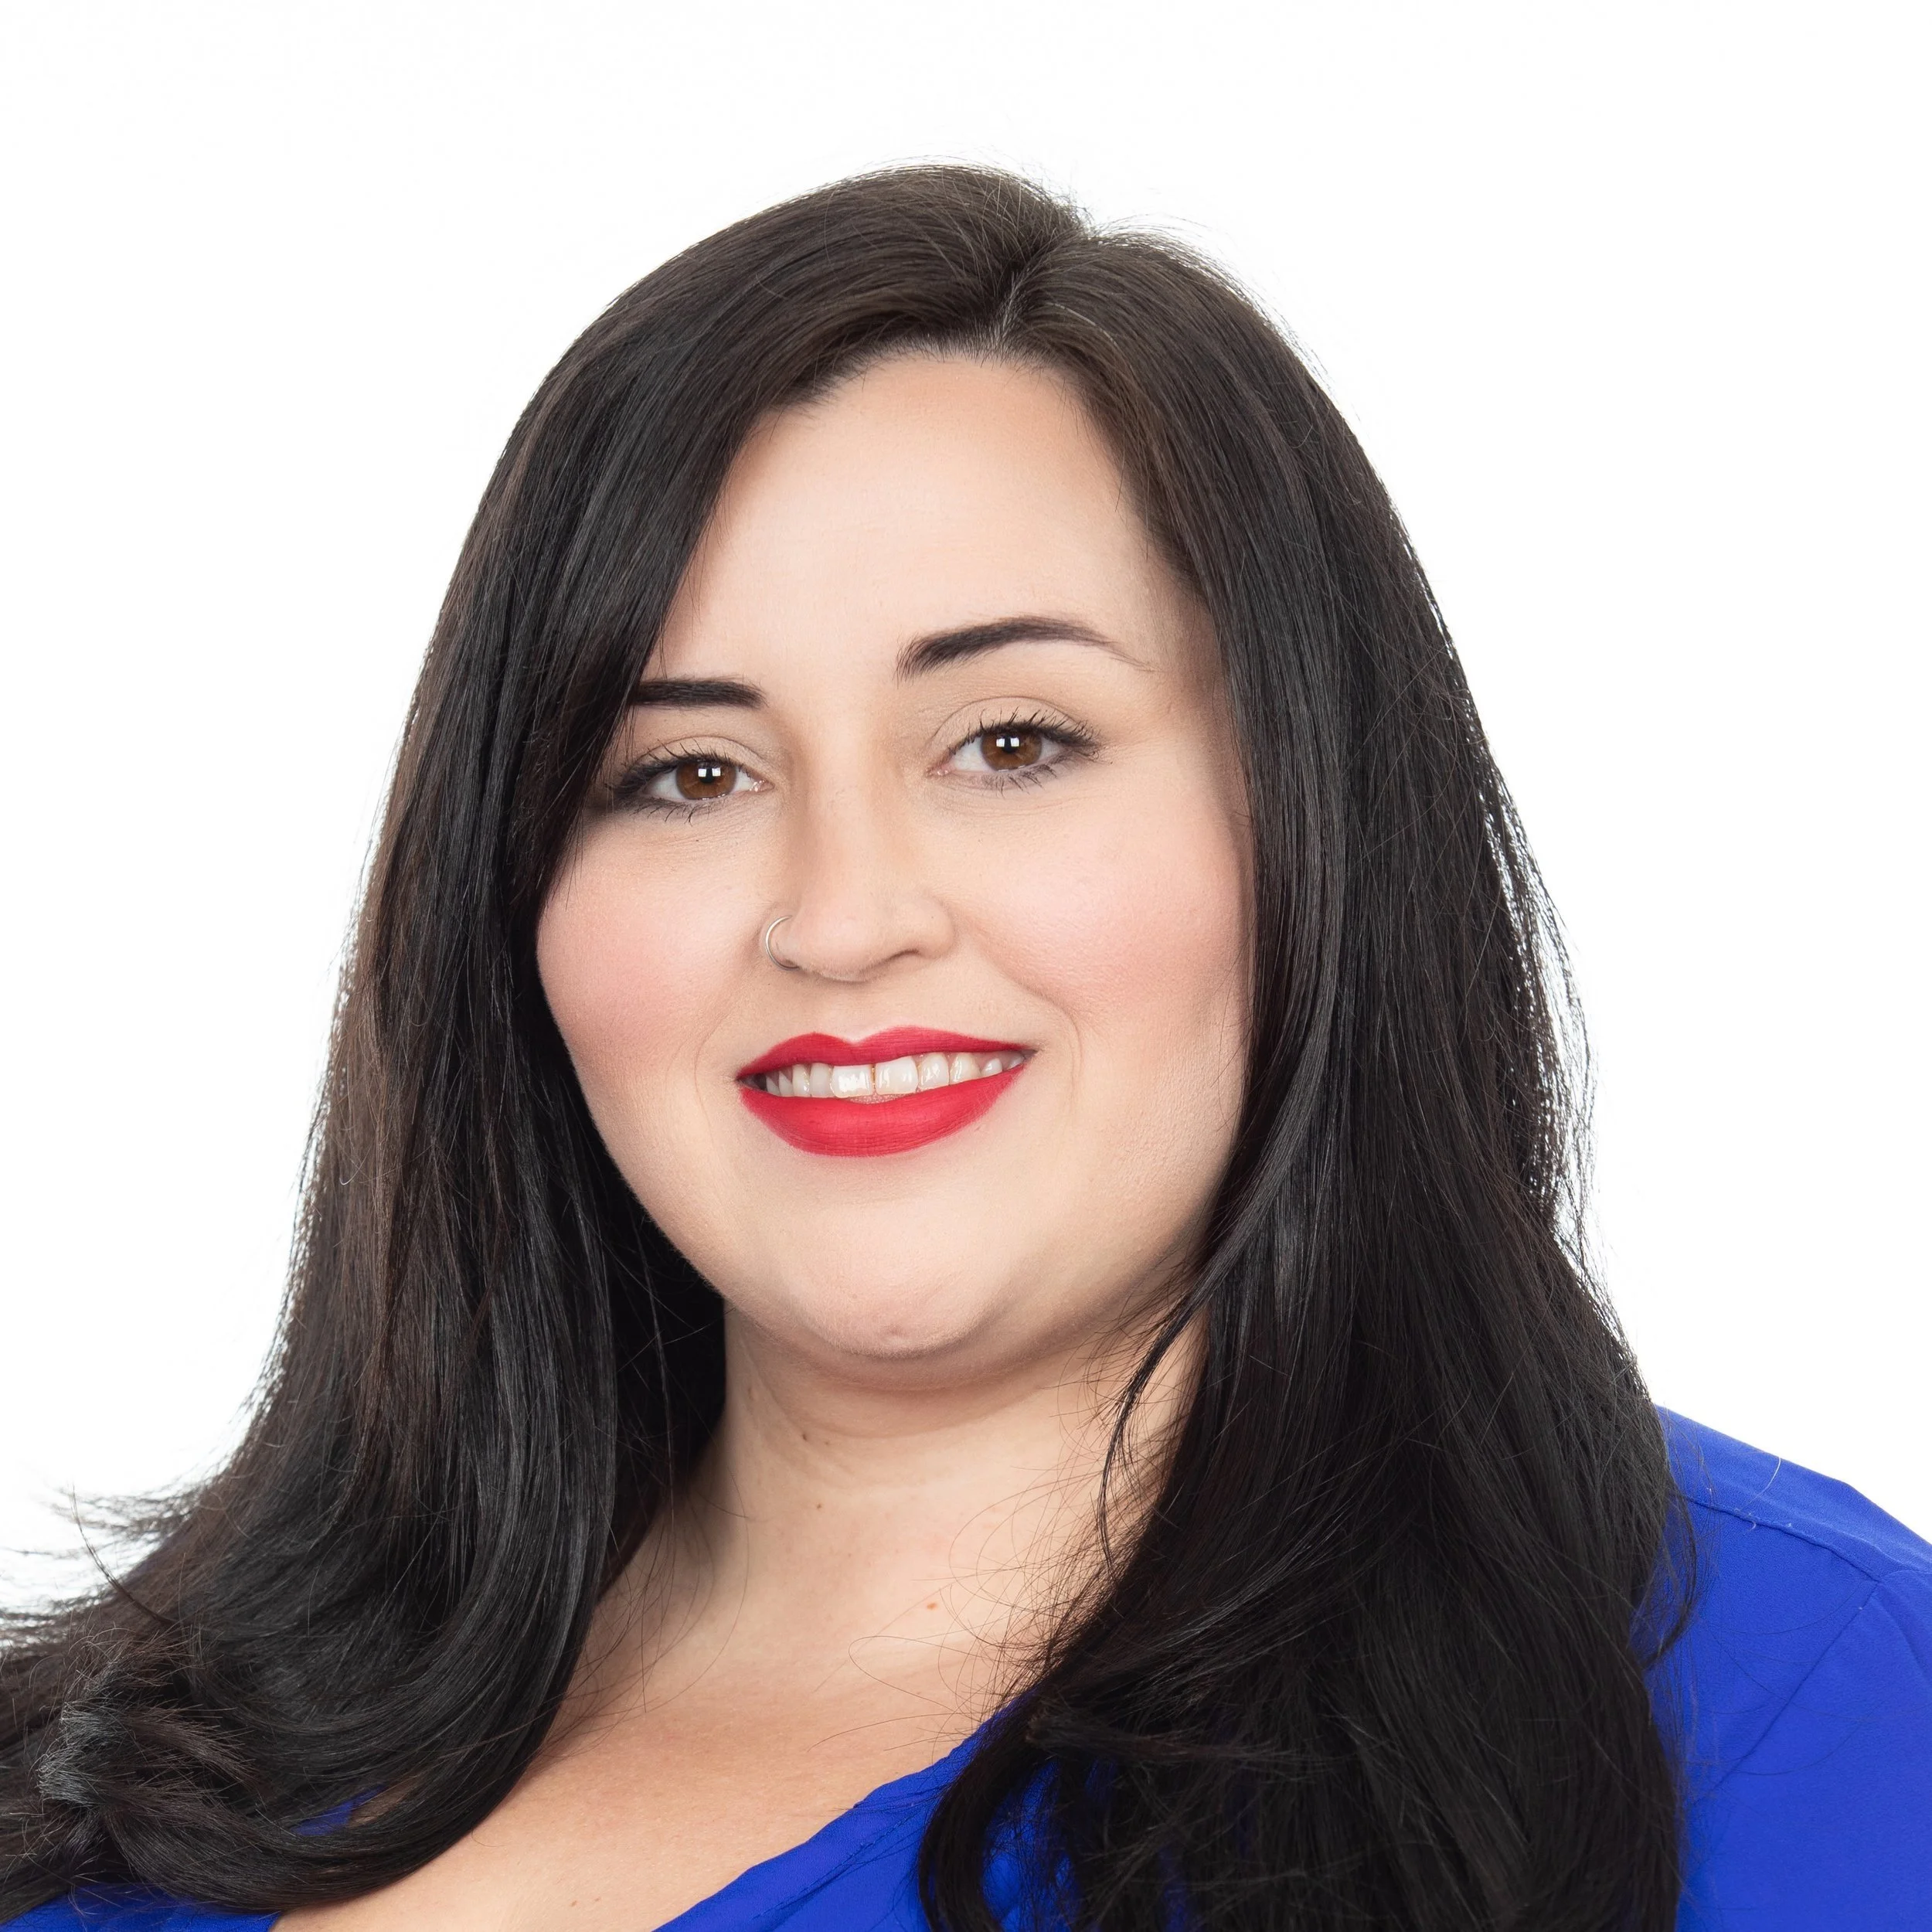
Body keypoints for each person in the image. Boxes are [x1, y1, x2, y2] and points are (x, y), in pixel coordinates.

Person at [2, 165, 1927, 1932]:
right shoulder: (95, 1789)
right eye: (685, 771)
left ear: (1309, 820)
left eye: (1012, 742)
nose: (842, 914)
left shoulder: (1776, 1691)